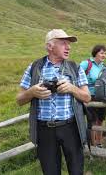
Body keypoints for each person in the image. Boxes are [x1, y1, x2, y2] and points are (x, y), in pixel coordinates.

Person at [16, 29, 91, 175]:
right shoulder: (34, 67)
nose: (68, 47)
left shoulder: (75, 67)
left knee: (76, 171)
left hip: (71, 127)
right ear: (50, 46)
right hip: (44, 130)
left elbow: (87, 97)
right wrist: (32, 92)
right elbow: (19, 99)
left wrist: (72, 88)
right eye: (63, 43)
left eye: (69, 44)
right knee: (50, 171)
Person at [80, 45, 106, 148]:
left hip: (101, 96)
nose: (103, 55)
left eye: (105, 53)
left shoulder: (103, 67)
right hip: (89, 95)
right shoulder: (86, 64)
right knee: (92, 120)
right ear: (95, 53)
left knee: (100, 120)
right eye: (101, 53)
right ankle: (93, 144)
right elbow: (76, 75)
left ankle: (99, 143)